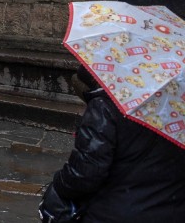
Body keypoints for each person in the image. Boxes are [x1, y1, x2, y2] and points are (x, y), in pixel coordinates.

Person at [39, 66, 185, 222]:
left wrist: (58, 185)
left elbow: (83, 175)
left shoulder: (107, 107)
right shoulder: (178, 108)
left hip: (115, 213)